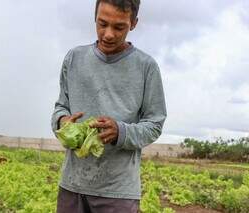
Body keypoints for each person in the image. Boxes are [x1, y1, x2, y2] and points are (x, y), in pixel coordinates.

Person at [51, 0, 167, 212]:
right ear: (94, 17)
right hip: (72, 186)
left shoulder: (146, 67)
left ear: (133, 23)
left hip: (118, 193)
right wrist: (63, 121)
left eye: (119, 27)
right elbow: (60, 107)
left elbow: (154, 124)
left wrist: (120, 131)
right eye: (102, 24)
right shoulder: (74, 58)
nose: (108, 34)